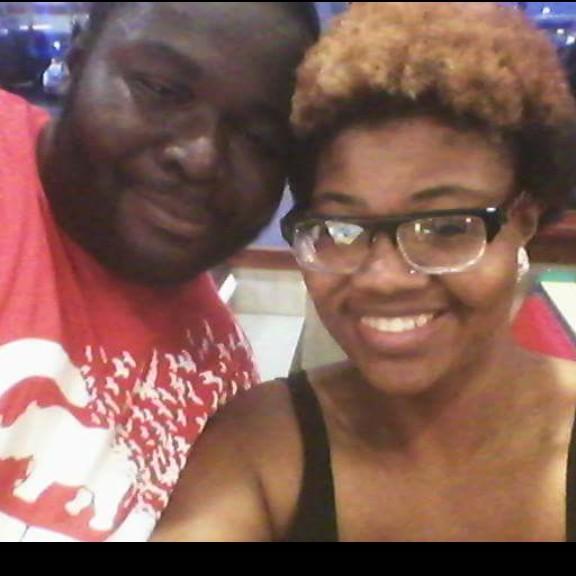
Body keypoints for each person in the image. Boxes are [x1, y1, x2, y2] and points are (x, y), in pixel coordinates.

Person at [154, 2, 576, 542]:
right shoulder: (260, 443)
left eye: (445, 227)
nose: (384, 279)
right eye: (342, 229)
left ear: (524, 221)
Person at [0, 2, 318, 542]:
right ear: (76, 64)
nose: (201, 157)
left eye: (260, 139)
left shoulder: (219, 386)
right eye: (161, 90)